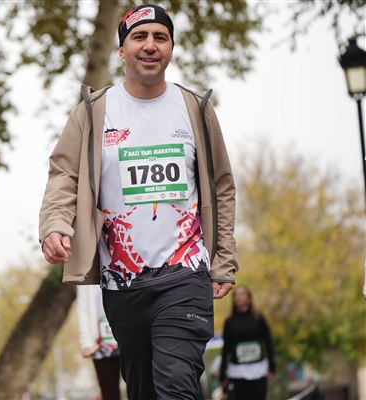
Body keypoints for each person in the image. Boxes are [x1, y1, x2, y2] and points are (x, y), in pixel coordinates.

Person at [39, 3, 238, 399]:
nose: (150, 45)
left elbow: (222, 187)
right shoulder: (93, 112)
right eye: (139, 37)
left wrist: (223, 259)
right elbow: (64, 174)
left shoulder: (195, 109)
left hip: (185, 275)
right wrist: (55, 225)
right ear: (122, 50)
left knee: (176, 387)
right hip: (122, 282)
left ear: (171, 50)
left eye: (160, 37)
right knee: (143, 390)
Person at [219, 286, 276, 400]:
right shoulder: (229, 322)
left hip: (258, 369)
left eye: (242, 294)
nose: (239, 297)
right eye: (236, 295)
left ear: (249, 298)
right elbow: (226, 348)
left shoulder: (259, 318)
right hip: (237, 370)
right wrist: (223, 373)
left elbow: (268, 342)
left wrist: (272, 366)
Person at [76, 285, 121, 400]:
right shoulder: (85, 274)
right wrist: (86, 342)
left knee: (139, 389)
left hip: (128, 335)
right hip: (100, 342)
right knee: (109, 393)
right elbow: (83, 307)